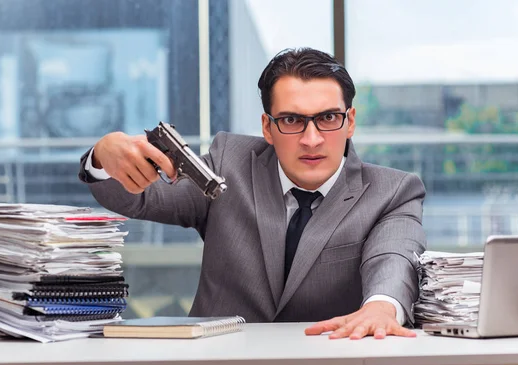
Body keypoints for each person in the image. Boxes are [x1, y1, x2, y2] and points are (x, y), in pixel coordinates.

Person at [78, 48, 426, 339]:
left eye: (328, 118)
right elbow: (142, 198)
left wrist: (382, 306)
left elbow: (393, 258)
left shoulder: (392, 191)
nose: (311, 139)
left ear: (350, 121)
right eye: (291, 120)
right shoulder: (229, 162)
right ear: (267, 128)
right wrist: (103, 157)